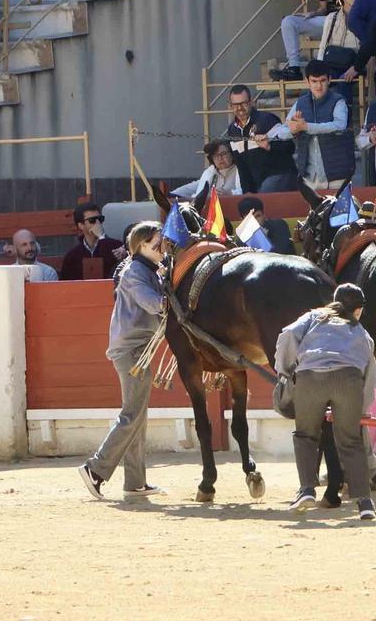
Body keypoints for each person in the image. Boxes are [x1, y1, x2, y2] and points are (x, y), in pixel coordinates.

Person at [78, 222, 167, 500]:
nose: (162, 247)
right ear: (140, 246)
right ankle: (95, 469)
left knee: (136, 415)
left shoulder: (145, 269)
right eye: (156, 244)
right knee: (132, 415)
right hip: (132, 351)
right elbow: (155, 303)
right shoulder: (135, 272)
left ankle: (135, 481)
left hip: (138, 349)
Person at [276, 283, 376, 519]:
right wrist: (362, 409)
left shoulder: (314, 316)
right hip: (348, 381)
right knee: (351, 442)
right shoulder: (361, 332)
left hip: (310, 378)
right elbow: (370, 374)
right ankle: (365, 503)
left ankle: (307, 490)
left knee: (306, 435)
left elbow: (288, 334)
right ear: (358, 310)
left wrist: (285, 370)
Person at [270, 61, 353, 189]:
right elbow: (284, 130)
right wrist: (293, 130)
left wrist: (306, 127)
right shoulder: (300, 103)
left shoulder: (338, 101)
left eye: (322, 80)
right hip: (309, 177)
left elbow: (339, 125)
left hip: (337, 174)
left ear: (329, 80)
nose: (319, 86)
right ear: (307, 81)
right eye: (314, 81)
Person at [271, 0, 347, 81]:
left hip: (346, 22)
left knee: (330, 20)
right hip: (326, 21)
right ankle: (294, 68)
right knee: (288, 21)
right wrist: (313, 13)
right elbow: (324, 8)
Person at [223, 84, 299, 193]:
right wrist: (247, 192)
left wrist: (269, 146)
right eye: (235, 104)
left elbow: (290, 147)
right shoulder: (232, 130)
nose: (239, 108)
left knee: (264, 195)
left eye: (243, 103)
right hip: (258, 182)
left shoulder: (267, 120)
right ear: (230, 105)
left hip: (281, 175)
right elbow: (241, 166)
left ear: (251, 102)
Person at [174, 139, 247, 198]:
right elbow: (197, 191)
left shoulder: (240, 169)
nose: (220, 158)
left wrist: (230, 193)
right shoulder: (210, 172)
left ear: (232, 154)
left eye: (223, 154)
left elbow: (245, 191)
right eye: (215, 155)